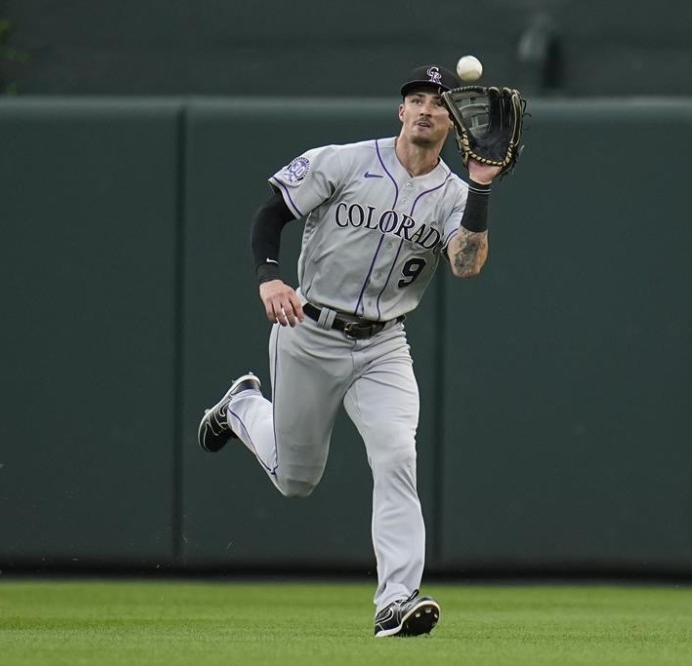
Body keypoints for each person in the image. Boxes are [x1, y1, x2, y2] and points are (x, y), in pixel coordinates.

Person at [197, 63, 505, 638]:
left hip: (384, 344)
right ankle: (243, 408)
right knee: (296, 480)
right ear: (400, 111)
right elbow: (272, 212)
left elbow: (466, 266)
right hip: (309, 330)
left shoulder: (456, 195)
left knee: (395, 456)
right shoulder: (345, 160)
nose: (425, 109)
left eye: (438, 103)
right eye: (415, 99)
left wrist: (483, 187)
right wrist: (268, 276)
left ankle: (396, 600)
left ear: (453, 120)